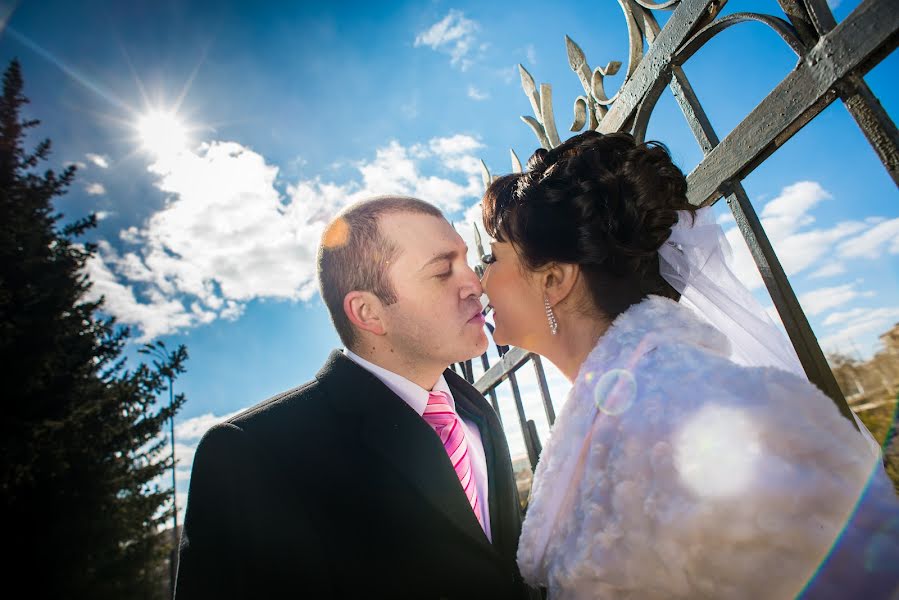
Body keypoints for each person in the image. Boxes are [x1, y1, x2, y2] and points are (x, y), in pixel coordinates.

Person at [479, 131, 899, 599]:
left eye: (491, 259)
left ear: (553, 280)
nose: (480, 282)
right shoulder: (617, 414)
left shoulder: (698, 412)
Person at [175, 196, 537, 599]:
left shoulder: (476, 414)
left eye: (467, 261)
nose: (475, 283)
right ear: (368, 312)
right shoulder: (251, 452)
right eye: (441, 271)